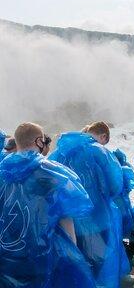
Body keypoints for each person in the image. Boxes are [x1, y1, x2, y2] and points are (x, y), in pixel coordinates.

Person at [0, 122, 95, 287]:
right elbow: (65, 219)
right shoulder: (53, 173)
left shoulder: (2, 170)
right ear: (38, 141)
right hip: (41, 252)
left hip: (6, 254)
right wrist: (73, 253)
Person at [49, 121, 129, 288]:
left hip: (65, 224)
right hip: (98, 220)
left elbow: (48, 188)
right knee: (95, 265)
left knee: (72, 268)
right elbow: (116, 185)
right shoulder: (99, 151)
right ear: (103, 136)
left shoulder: (57, 153)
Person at [112, 148, 134, 239]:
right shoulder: (126, 170)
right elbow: (130, 187)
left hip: (114, 202)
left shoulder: (112, 171)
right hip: (123, 202)